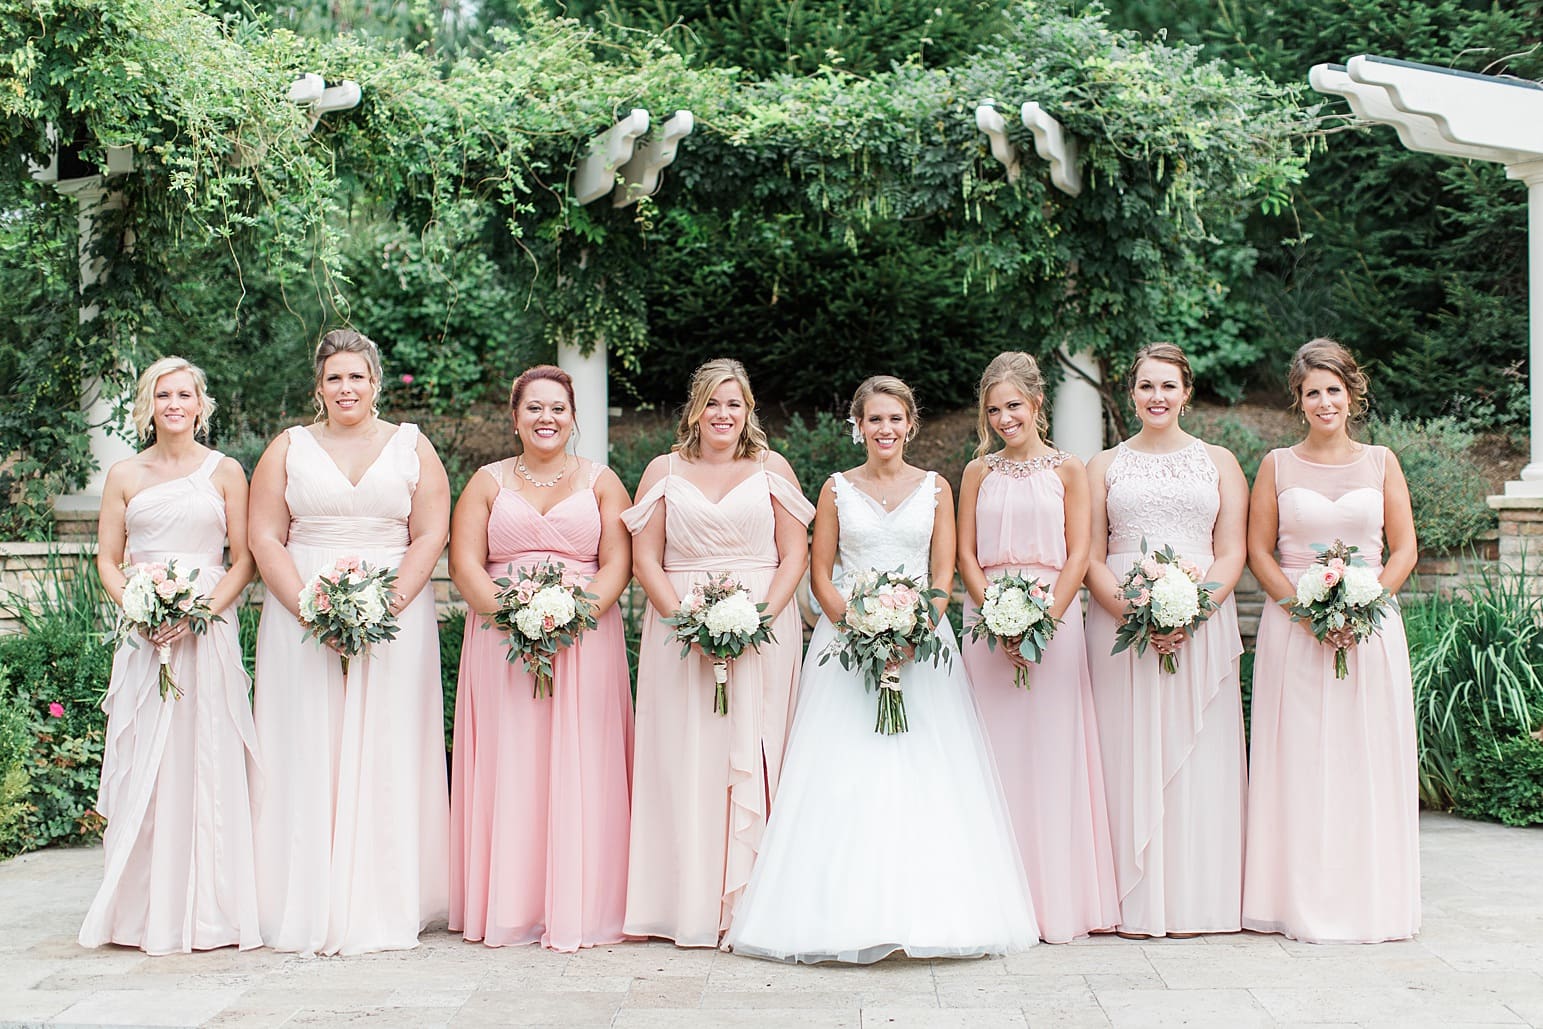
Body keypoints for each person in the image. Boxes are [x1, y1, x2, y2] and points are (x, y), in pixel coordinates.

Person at [724, 375, 1039, 963]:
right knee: (844, 771)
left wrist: (915, 628)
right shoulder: (836, 489)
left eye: (895, 419)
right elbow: (820, 574)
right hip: (848, 649)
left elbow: (942, 574)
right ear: (858, 426)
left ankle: (934, 916)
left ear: (910, 424)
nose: (885, 430)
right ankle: (835, 915)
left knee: (929, 774)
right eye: (874, 420)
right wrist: (859, 627)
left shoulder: (938, 488)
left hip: (923, 650)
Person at [247, 329, 450, 955]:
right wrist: (311, 610)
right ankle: (300, 892)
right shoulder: (288, 448)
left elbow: (430, 534)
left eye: (356, 376)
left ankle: (387, 894)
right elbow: (263, 537)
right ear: (319, 386)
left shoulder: (413, 446)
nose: (346, 388)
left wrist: (384, 604)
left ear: (375, 382)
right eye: (335, 378)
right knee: (306, 741)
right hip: (300, 612)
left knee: (388, 740)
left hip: (396, 615)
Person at [622, 358, 814, 947]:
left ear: (748, 409)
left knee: (757, 752)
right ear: (694, 410)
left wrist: (761, 617)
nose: (723, 414)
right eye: (713, 403)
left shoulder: (771, 468)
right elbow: (644, 559)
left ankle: (755, 902)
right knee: (687, 757)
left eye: (734, 403)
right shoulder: (663, 469)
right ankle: (689, 903)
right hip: (679, 631)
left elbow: (794, 554)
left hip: (763, 629)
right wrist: (686, 620)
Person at [448, 365, 634, 951]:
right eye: (534, 408)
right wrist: (512, 618)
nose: (546, 418)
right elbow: (464, 564)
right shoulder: (486, 482)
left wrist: (573, 616)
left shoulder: (603, 482)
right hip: (501, 642)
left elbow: (618, 566)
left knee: (582, 763)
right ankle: (510, 904)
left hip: (585, 640)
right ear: (514, 417)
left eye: (557, 408)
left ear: (573, 417)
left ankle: (583, 902)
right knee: (513, 764)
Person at [79, 357, 261, 955]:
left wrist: (200, 611)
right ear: (149, 405)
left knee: (206, 758)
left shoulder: (228, 471)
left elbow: (244, 560)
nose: (175, 404)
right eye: (164, 395)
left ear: (201, 403)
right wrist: (138, 607)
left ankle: (212, 913)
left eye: (185, 394)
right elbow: (108, 558)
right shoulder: (125, 474)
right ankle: (139, 914)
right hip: (145, 635)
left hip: (207, 632)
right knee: (146, 768)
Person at [1242, 339, 1420, 943]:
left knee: (1364, 758)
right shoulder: (1276, 465)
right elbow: (1257, 552)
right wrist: (1304, 611)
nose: (1324, 402)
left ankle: (1372, 900)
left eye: (1334, 390)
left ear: (1352, 394)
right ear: (1299, 399)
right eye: (1313, 391)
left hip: (1370, 632)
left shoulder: (1382, 462)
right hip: (1294, 634)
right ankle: (1298, 901)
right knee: (1299, 759)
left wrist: (1363, 603)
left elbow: (1404, 550)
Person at [1084, 342, 1249, 938]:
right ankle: (1129, 897)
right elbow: (1091, 555)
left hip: (1201, 620)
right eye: (1146, 386)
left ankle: (1198, 900)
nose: (1157, 397)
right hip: (1122, 627)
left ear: (1187, 393)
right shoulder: (1103, 465)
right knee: (1125, 750)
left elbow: (1232, 550)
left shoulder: (1221, 462)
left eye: (1168, 386)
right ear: (1132, 395)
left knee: (1198, 754)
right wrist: (1133, 609)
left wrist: (1192, 610)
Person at [957, 352, 1121, 943]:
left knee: (1054, 751)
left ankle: (1058, 901)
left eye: (1014, 406)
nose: (1005, 418)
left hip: (1055, 614)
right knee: (994, 754)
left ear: (1037, 405)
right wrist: (997, 619)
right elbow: (964, 554)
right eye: (994, 409)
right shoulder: (978, 471)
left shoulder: (1069, 469)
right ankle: (995, 897)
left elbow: (1080, 551)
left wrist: (1044, 620)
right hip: (989, 623)